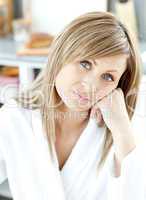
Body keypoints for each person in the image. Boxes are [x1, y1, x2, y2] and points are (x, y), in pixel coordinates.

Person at [0, 11, 145, 200]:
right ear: (62, 52)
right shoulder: (15, 119)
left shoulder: (123, 130)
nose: (91, 86)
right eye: (85, 64)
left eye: (108, 77)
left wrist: (121, 130)